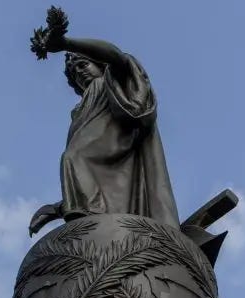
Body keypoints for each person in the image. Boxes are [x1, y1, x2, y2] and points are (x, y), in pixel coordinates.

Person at [27, 21, 179, 235]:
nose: (80, 73)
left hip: (119, 166)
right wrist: (58, 208)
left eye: (83, 65)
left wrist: (65, 43)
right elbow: (106, 179)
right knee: (72, 157)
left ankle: (90, 224)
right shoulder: (80, 112)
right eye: (74, 72)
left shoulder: (114, 82)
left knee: (73, 157)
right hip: (116, 197)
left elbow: (116, 56)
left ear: (99, 64)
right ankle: (90, 226)